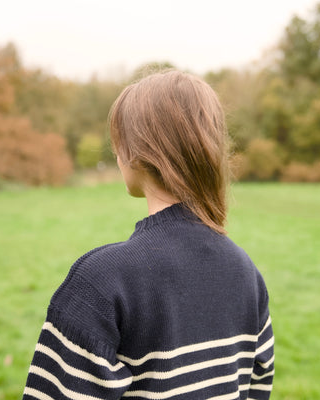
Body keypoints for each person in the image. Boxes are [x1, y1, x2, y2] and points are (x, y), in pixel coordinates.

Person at [22, 70, 274, 400]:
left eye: (118, 141)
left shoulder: (99, 282)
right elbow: (258, 387)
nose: (115, 153)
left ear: (138, 154)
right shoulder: (246, 273)